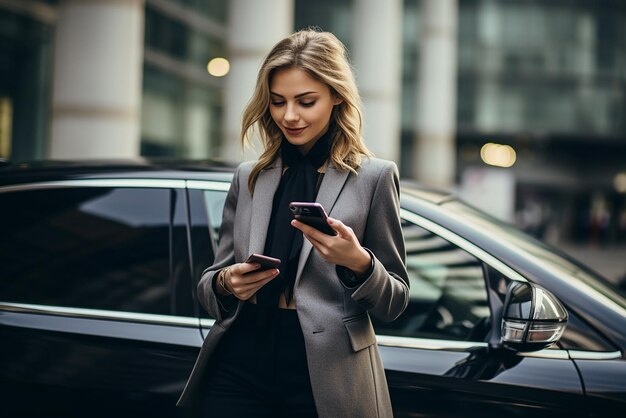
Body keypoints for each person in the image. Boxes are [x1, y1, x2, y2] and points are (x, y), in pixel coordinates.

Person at [177, 28, 409, 418]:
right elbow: (208, 283)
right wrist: (226, 282)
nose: (289, 115)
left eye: (305, 101)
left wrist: (358, 262)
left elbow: (395, 301)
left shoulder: (374, 177)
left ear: (336, 96)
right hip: (240, 358)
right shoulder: (250, 176)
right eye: (278, 101)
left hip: (326, 372)